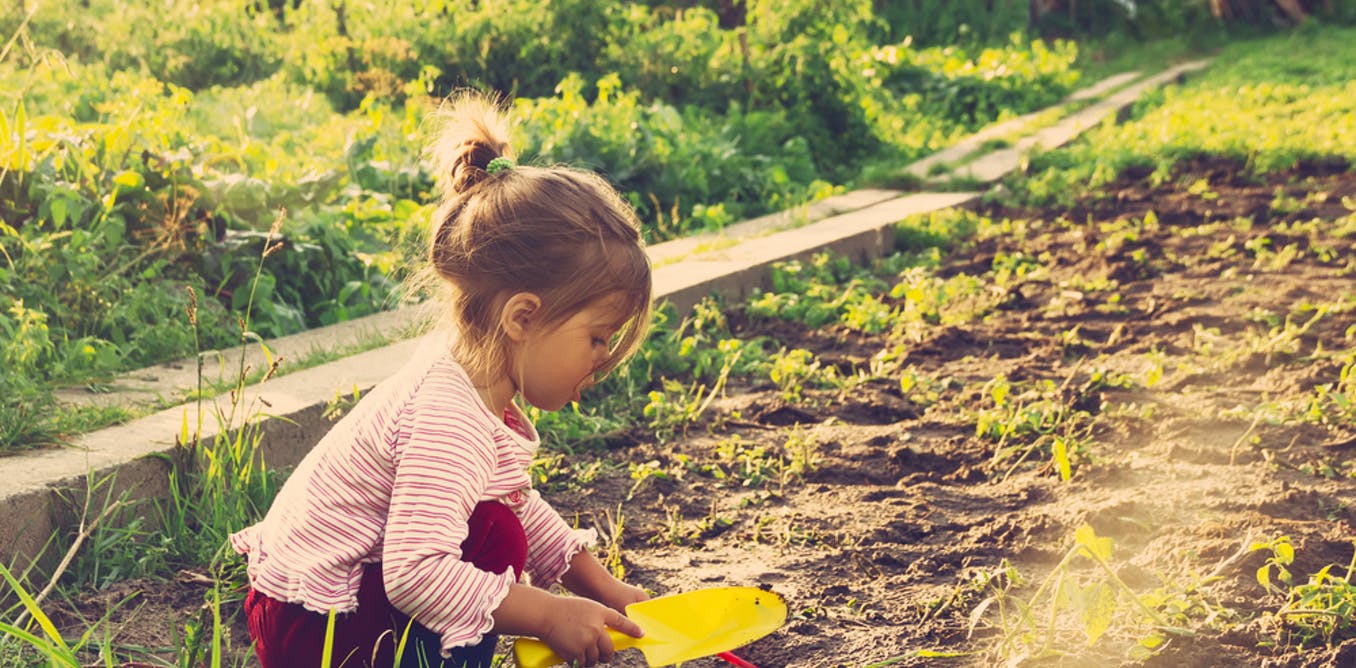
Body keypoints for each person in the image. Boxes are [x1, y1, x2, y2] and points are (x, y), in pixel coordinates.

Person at [230, 91, 654, 668]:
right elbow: (413, 574)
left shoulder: (474, 386)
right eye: (598, 337)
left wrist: (601, 587)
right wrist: (548, 613)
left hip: (330, 610)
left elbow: (518, 501)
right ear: (523, 318)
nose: (603, 360)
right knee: (494, 536)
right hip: (319, 628)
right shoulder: (447, 416)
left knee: (497, 525)